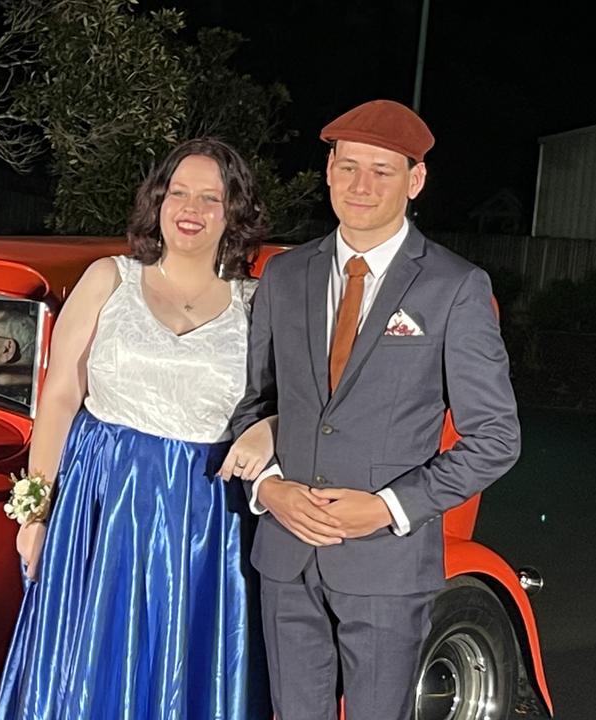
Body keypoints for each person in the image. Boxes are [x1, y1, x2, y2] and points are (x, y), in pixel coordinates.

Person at [221, 99, 521, 720]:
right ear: (328, 170)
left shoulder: (454, 287)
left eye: (382, 171)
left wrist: (387, 508)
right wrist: (268, 489)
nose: (362, 185)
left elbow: (495, 437)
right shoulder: (283, 276)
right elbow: (256, 403)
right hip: (285, 552)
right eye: (349, 166)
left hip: (387, 562)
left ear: (414, 181)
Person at [0, 138, 270, 719]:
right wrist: (35, 517)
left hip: (205, 522)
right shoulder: (108, 280)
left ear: (234, 212)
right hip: (101, 512)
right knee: (86, 675)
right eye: (179, 192)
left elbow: (293, 401)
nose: (190, 208)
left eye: (210, 197)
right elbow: (61, 398)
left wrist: (271, 427)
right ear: (158, 201)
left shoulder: (257, 304)